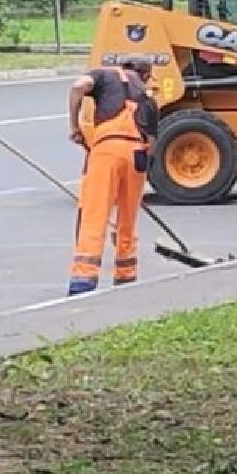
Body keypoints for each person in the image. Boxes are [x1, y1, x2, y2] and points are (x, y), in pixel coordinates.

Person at [65, 54, 160, 296]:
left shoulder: (104, 74)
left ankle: (84, 278)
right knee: (127, 219)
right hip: (137, 154)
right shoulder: (148, 97)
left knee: (95, 213)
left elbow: (77, 87)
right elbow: (152, 142)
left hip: (107, 151)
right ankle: (126, 274)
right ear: (145, 74)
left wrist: (75, 127)